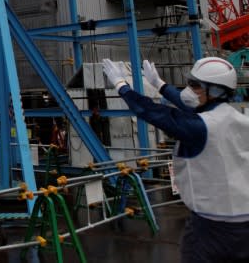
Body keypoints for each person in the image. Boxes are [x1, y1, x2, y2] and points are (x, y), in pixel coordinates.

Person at [102, 57, 249, 263]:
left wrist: (121, 86)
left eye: (195, 85)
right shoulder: (237, 118)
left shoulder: (201, 127)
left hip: (212, 228)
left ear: (215, 91)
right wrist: (159, 85)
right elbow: (191, 107)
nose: (189, 90)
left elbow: (155, 113)